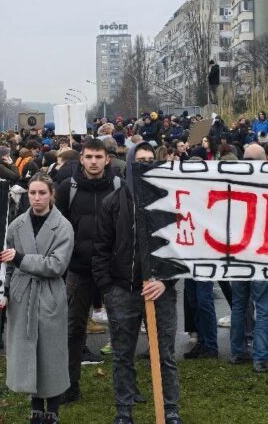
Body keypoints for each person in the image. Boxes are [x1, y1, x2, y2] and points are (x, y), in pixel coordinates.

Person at [93, 143, 183, 424]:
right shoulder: (113, 202)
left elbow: (180, 247)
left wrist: (166, 282)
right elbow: (101, 249)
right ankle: (124, 410)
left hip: (160, 290)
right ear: (130, 163)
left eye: (149, 160)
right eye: (139, 160)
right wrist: (108, 288)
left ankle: (170, 409)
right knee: (122, 353)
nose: (144, 164)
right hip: (123, 289)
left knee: (165, 353)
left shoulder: (169, 202)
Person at [0, 173, 74, 424]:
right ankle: (36, 406)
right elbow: (4, 266)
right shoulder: (16, 225)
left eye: (42, 193)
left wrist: (20, 258)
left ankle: (54, 409)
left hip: (49, 295)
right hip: (22, 294)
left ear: (52, 195)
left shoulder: (63, 227)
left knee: (51, 353)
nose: (36, 198)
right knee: (28, 352)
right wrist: (2, 293)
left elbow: (56, 265)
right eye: (32, 193)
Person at [55, 138, 120, 403]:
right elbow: (57, 227)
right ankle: (70, 385)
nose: (93, 161)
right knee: (73, 329)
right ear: (81, 159)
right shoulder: (65, 189)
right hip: (79, 269)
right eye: (89, 156)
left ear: (107, 160)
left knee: (121, 328)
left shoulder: (119, 187)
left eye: (98, 157)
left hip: (113, 271)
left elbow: (126, 226)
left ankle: (126, 386)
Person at [229, 143, 268, 373]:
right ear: (265, 160)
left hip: (239, 253)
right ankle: (261, 357)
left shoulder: (233, 183)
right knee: (265, 307)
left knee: (239, 305)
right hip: (264, 253)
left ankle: (238, 351)